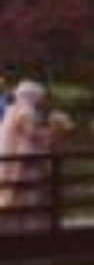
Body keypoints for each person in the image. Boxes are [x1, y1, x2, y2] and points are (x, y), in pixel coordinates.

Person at [0, 83, 59, 228]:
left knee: (13, 194)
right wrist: (53, 129)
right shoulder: (26, 112)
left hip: (11, 158)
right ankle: (27, 228)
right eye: (39, 97)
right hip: (24, 162)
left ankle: (12, 226)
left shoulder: (11, 109)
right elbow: (33, 135)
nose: (40, 101)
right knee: (27, 195)